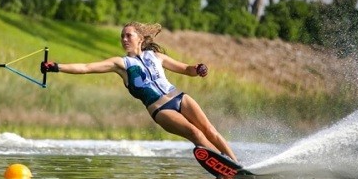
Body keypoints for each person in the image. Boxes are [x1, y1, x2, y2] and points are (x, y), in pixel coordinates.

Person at [41, 21, 238, 162]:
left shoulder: (156, 56)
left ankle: (236, 164)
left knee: (210, 130)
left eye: (129, 35)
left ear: (140, 38)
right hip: (161, 110)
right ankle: (224, 164)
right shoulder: (121, 64)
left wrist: (198, 69)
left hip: (179, 97)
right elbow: (85, 67)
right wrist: (56, 66)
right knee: (195, 132)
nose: (124, 39)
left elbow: (187, 69)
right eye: (122, 36)